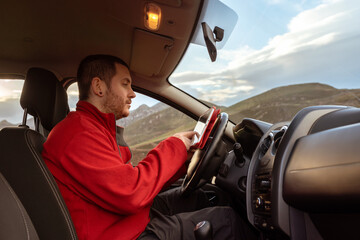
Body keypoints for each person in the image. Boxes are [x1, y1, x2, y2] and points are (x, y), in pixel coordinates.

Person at [42, 55, 256, 240]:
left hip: (123, 221)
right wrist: (175, 146)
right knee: (227, 222)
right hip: (121, 234)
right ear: (99, 87)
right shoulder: (76, 133)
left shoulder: (91, 128)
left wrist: (182, 161)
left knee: (202, 196)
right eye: (125, 84)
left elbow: (127, 182)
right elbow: (130, 193)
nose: (132, 93)